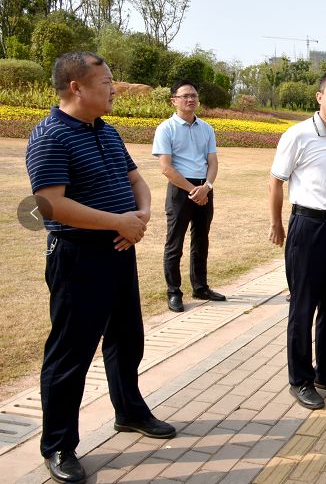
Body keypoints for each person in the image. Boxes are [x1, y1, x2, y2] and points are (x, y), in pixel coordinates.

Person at [25, 52, 176, 484]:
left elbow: (136, 182)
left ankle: (128, 412)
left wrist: (141, 217)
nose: (114, 88)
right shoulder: (51, 135)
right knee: (70, 354)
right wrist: (118, 221)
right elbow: (50, 203)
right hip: (78, 256)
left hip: (119, 249)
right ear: (77, 87)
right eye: (106, 81)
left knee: (127, 339)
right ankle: (58, 444)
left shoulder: (106, 132)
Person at [269, 72, 326, 410]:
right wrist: (276, 224)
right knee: (303, 305)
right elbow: (276, 182)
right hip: (307, 225)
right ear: (319, 96)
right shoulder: (299, 135)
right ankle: (301, 379)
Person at [152, 79, 226, 313]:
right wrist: (192, 190)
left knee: (201, 241)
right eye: (185, 96)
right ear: (174, 100)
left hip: (204, 188)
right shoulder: (166, 128)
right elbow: (166, 167)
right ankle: (174, 292)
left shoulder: (206, 128)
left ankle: (200, 286)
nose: (190, 99)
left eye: (193, 95)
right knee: (174, 244)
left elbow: (212, 162)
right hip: (180, 190)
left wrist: (207, 186)